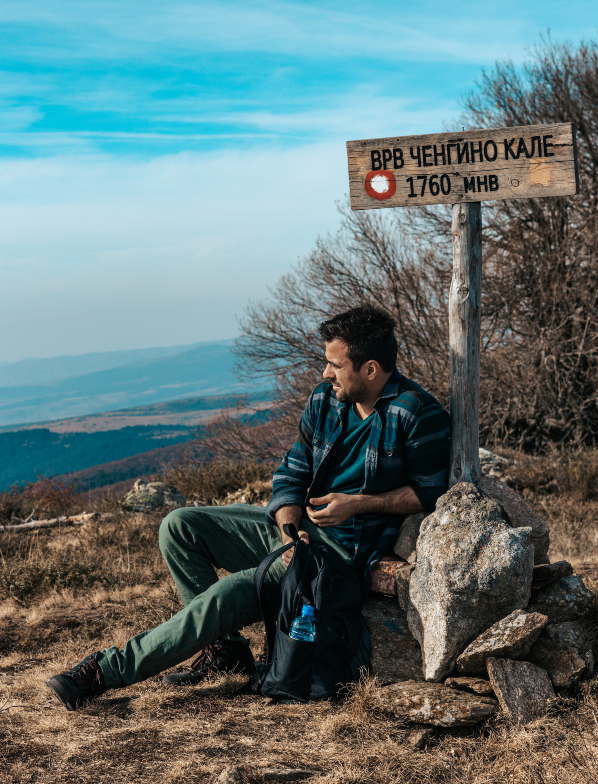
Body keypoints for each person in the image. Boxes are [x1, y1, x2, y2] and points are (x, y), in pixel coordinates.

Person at [45, 304, 451, 711]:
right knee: (179, 525)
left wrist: (358, 504)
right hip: (301, 534)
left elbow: (431, 493)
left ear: (370, 369)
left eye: (334, 364)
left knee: (224, 596)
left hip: (337, 557)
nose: (325, 373)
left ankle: (105, 672)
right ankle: (225, 651)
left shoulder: (418, 413)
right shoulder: (326, 402)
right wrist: (290, 531)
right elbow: (291, 474)